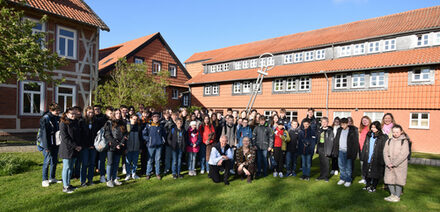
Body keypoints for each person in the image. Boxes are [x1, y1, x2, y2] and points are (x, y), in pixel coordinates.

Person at [383, 125, 410, 203]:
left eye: (397, 132)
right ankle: (392, 194)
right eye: (394, 132)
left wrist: (394, 163)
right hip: (389, 165)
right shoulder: (389, 141)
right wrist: (388, 163)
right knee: (389, 179)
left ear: (401, 132)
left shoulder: (404, 141)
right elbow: (385, 152)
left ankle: (397, 196)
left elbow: (404, 154)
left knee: (399, 180)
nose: (395, 133)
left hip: (400, 165)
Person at [59, 107, 82, 193]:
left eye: (74, 114)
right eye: (72, 114)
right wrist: (75, 146)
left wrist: (79, 146)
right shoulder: (63, 123)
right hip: (67, 149)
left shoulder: (75, 122)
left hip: (75, 149)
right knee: (66, 167)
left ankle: (68, 184)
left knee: (71, 168)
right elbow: (65, 138)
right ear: (67, 114)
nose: (73, 115)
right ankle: (65, 186)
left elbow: (78, 135)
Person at [361, 121, 388, 193]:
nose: (373, 129)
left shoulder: (382, 137)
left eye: (374, 127)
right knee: (366, 171)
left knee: (375, 173)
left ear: (378, 128)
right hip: (368, 155)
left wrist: (383, 159)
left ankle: (374, 186)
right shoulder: (369, 135)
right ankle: (368, 185)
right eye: (372, 127)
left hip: (377, 157)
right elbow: (365, 145)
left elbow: (384, 148)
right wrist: (363, 155)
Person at [39, 103, 61, 187]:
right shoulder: (45, 118)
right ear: (51, 110)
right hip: (47, 144)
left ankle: (52, 177)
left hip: (55, 143)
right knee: (47, 161)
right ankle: (44, 179)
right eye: (56, 111)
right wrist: (46, 146)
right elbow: (43, 133)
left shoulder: (56, 118)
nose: (58, 112)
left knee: (54, 161)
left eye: (59, 110)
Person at [332, 118, 359, 187]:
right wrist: (335, 150)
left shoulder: (352, 130)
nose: (342, 126)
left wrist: (354, 153)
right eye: (341, 124)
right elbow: (336, 140)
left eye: (344, 124)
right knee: (341, 166)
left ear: (347, 123)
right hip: (340, 151)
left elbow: (355, 143)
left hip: (348, 152)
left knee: (348, 167)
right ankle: (342, 178)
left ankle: (348, 180)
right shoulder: (339, 130)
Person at [104, 109, 127, 187]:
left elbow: (125, 134)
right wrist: (115, 144)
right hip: (111, 146)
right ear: (113, 114)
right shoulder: (109, 123)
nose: (118, 114)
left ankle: (114, 178)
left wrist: (120, 144)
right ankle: (108, 180)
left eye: (119, 113)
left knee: (116, 163)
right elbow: (107, 135)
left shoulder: (122, 123)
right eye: (117, 113)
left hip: (120, 146)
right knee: (110, 163)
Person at [80, 106, 99, 187]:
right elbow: (81, 135)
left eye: (92, 112)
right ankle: (83, 181)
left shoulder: (95, 121)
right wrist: (87, 145)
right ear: (86, 112)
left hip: (93, 146)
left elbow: (96, 135)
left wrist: (93, 145)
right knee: (84, 164)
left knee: (92, 164)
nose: (91, 114)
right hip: (85, 146)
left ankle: (90, 180)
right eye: (89, 112)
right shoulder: (82, 121)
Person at [143, 112, 166, 180]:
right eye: (154, 116)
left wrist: (162, 141)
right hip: (151, 146)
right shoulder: (148, 125)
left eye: (157, 117)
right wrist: (148, 140)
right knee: (150, 160)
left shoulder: (161, 126)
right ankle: (148, 173)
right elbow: (144, 134)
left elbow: (164, 135)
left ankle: (157, 173)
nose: (156, 118)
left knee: (158, 160)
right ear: (152, 118)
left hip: (159, 146)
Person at [316, 117, 334, 182]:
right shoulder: (319, 130)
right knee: (321, 162)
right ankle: (321, 175)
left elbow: (331, 142)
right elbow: (317, 140)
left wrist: (329, 151)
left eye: (325, 122)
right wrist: (317, 148)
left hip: (326, 148)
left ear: (327, 122)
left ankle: (326, 176)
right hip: (320, 148)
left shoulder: (330, 130)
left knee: (326, 163)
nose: (324, 123)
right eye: (322, 122)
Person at [125, 115, 142, 181]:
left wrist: (140, 147)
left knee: (135, 162)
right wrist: (125, 148)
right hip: (129, 148)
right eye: (133, 119)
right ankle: (128, 174)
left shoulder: (138, 127)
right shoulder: (127, 126)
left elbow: (140, 138)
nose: (135, 120)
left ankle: (134, 173)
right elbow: (125, 137)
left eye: (136, 119)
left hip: (136, 147)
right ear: (130, 118)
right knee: (128, 162)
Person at [358, 116, 372, 184]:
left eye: (366, 120)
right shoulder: (362, 129)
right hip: (361, 149)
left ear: (369, 120)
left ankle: (369, 179)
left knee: (368, 165)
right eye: (363, 120)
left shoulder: (370, 129)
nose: (364, 121)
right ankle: (363, 178)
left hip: (367, 150)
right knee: (362, 164)